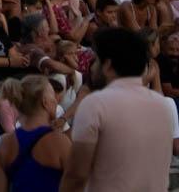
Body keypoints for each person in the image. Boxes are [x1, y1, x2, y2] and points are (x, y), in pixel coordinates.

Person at [60, 27, 174, 192]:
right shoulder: (163, 105)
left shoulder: (95, 104)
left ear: (108, 66)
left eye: (96, 61)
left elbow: (77, 174)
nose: (92, 68)